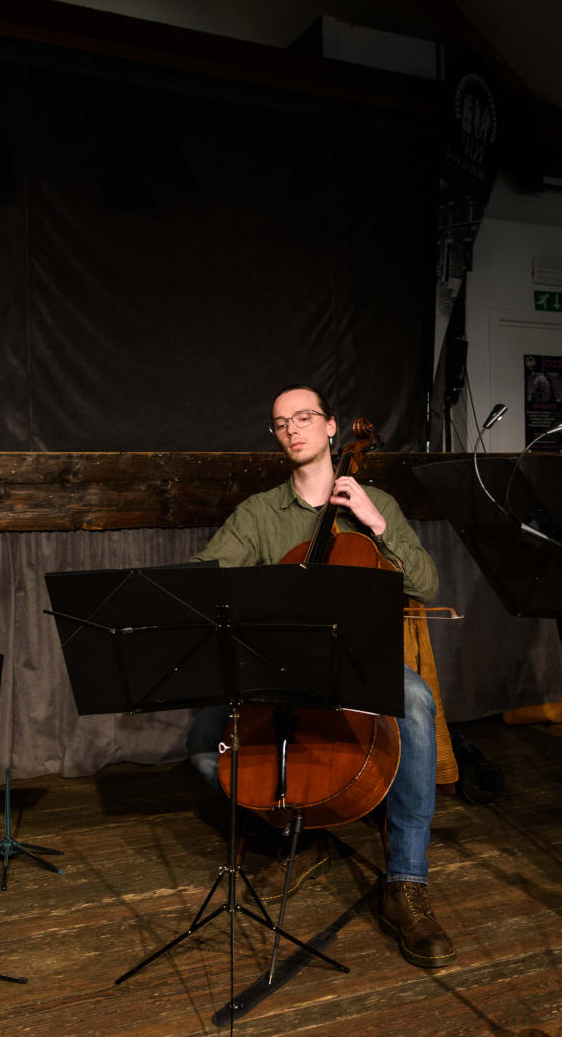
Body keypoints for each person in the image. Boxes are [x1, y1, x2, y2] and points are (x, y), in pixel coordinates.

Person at [184, 385, 455, 968]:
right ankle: (300, 830)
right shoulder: (259, 514)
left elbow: (427, 586)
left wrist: (375, 521)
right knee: (203, 746)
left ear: (332, 427)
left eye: (304, 418)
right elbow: (204, 576)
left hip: (358, 663)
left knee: (413, 699)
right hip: (279, 668)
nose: (292, 430)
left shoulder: (375, 502)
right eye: (281, 423)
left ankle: (406, 882)